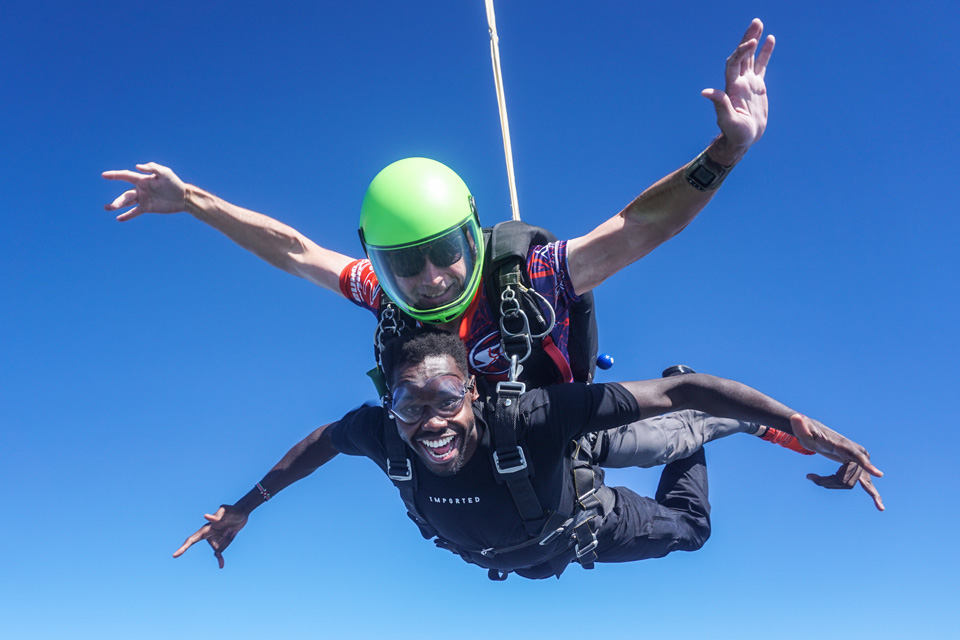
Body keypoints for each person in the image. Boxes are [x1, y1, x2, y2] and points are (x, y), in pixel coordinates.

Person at [103, 20, 805, 469]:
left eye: (446, 250)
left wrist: (725, 152)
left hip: (565, 423)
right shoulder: (384, 297)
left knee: (672, 436)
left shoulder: (528, 275)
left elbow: (641, 227)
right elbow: (291, 250)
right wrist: (193, 201)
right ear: (381, 265)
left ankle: (747, 426)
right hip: (471, 438)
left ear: (474, 235)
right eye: (404, 263)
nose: (434, 276)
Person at [172, 327, 883, 580]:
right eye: (410, 406)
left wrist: (794, 422)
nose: (430, 423)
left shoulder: (534, 416)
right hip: (526, 553)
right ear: (392, 406)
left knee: (691, 509)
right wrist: (245, 507)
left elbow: (691, 391)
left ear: (474, 392)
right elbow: (320, 443)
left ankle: (732, 435)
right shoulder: (382, 431)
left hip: (583, 521)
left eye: (445, 399)